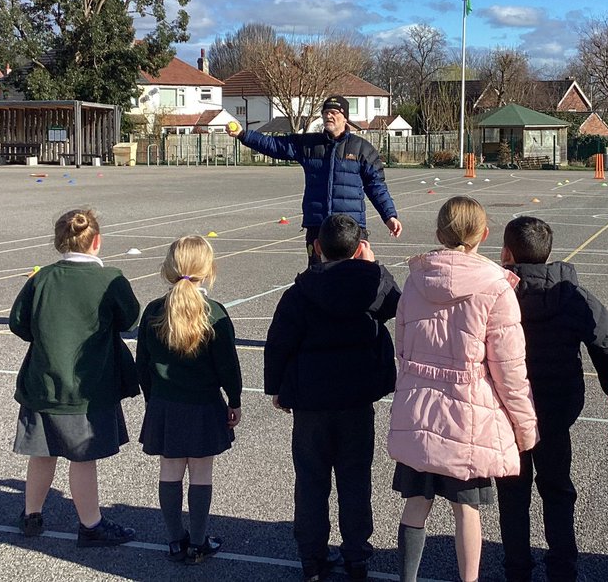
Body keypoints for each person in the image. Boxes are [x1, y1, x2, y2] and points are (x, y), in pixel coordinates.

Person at [388, 196, 539, 582]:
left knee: (415, 504)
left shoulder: (416, 278)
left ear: (439, 232)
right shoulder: (497, 287)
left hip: (420, 405)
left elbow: (402, 347)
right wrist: (525, 427)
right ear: (483, 235)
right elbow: (509, 369)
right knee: (466, 509)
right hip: (467, 413)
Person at [264, 214, 401, 582]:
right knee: (355, 478)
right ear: (359, 249)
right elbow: (400, 307)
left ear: (317, 248)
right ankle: (356, 555)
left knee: (311, 480)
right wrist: (375, 267)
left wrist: (276, 387)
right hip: (356, 398)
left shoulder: (300, 292)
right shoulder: (371, 285)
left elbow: (278, 343)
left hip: (311, 400)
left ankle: (312, 557)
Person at [496, 216, 608, 582]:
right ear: (548, 255)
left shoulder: (497, 293)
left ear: (506, 254)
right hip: (555, 407)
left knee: (513, 494)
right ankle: (562, 568)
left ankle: (517, 569)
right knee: (558, 488)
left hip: (509, 410)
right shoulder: (570, 294)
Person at [9, 207, 140, 547]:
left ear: (59, 242)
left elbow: (18, 324)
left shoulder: (40, 279)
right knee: (83, 459)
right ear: (97, 241)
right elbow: (129, 318)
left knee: (42, 453)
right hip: (88, 385)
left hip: (44, 381)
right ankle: (90, 524)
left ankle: (32, 515)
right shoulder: (110, 279)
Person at [136, 235, 243, 564]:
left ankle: (174, 541)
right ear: (208, 269)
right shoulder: (214, 312)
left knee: (169, 470)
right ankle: (198, 541)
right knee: (200, 473)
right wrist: (234, 400)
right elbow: (228, 366)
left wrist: (153, 400)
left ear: (169, 267)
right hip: (203, 405)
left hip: (165, 404)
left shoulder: (155, 310)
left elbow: (143, 365)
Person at [227, 95, 402, 264]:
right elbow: (275, 145)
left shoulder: (362, 149)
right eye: (326, 112)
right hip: (319, 227)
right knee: (318, 281)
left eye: (334, 112)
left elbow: (376, 186)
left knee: (355, 279)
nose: (329, 116)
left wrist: (389, 216)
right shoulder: (309, 144)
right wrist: (243, 134)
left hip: (350, 228)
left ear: (345, 118)